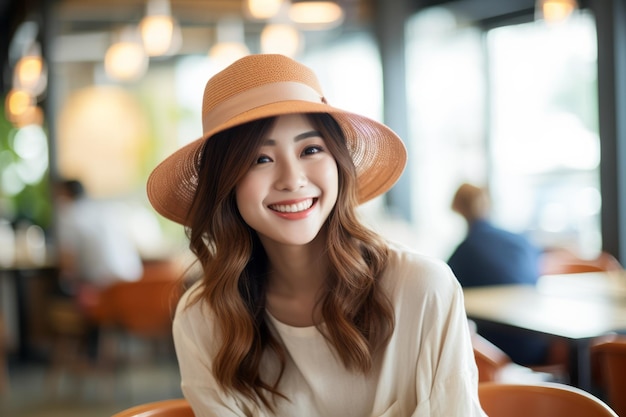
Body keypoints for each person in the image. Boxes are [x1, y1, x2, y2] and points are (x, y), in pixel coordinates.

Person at [147, 54, 487, 416]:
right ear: (226, 183)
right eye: (259, 159)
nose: (291, 179)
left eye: (310, 149)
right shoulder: (204, 319)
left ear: (338, 163)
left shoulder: (422, 289)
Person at [447, 182, 548, 366]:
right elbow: (536, 278)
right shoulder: (519, 240)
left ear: (459, 209)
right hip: (540, 342)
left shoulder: (466, 250)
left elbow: (445, 293)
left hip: (497, 351)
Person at [55, 179, 143, 317]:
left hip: (103, 292)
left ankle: (90, 337)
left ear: (65, 195)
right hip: (133, 286)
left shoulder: (70, 215)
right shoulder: (106, 210)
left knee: (61, 292)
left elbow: (68, 263)